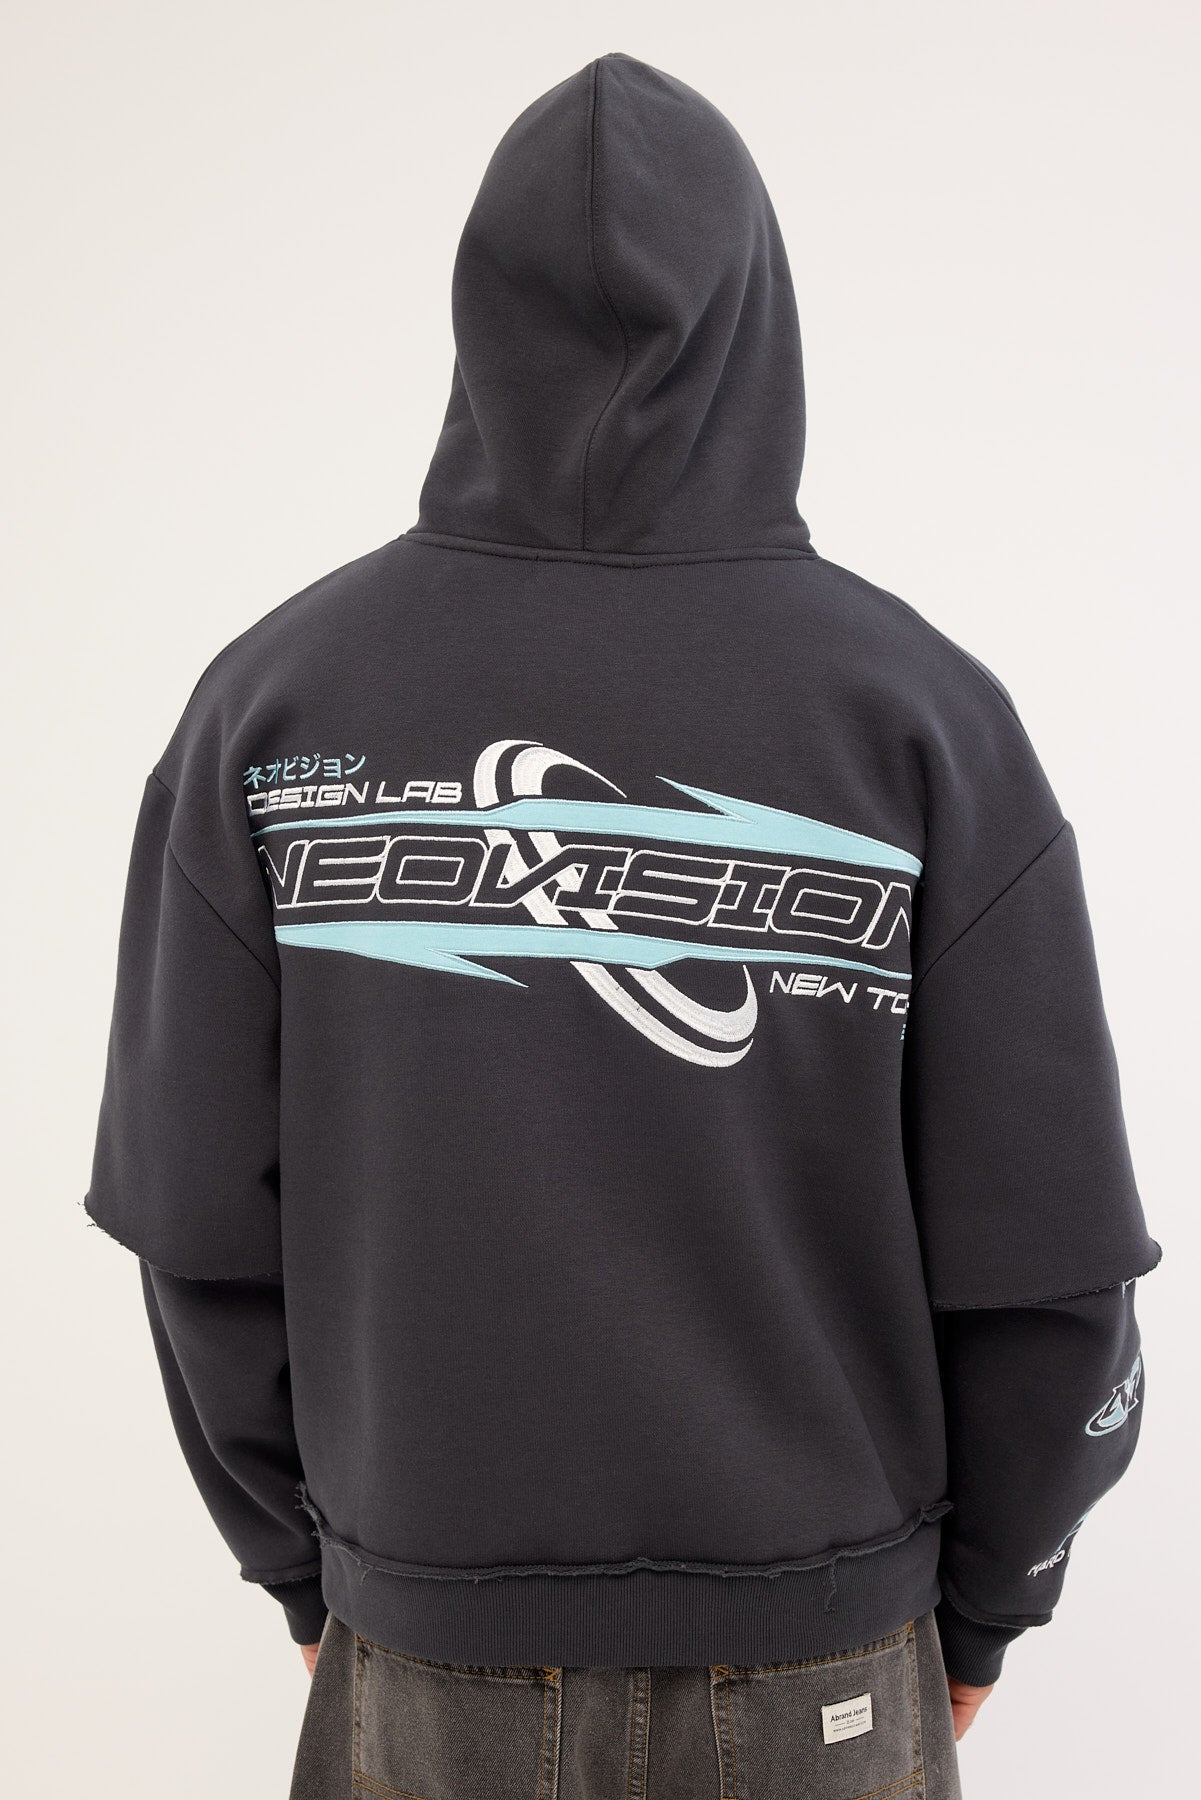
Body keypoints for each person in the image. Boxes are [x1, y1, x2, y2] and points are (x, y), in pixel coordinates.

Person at [84, 52, 1161, 1800]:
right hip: (821, 1657)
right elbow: (1045, 1263)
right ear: (760, 321)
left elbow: (192, 1225)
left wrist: (314, 1569)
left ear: (479, 314)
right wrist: (988, 1603)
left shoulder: (274, 706)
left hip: (421, 1648)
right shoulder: (918, 716)